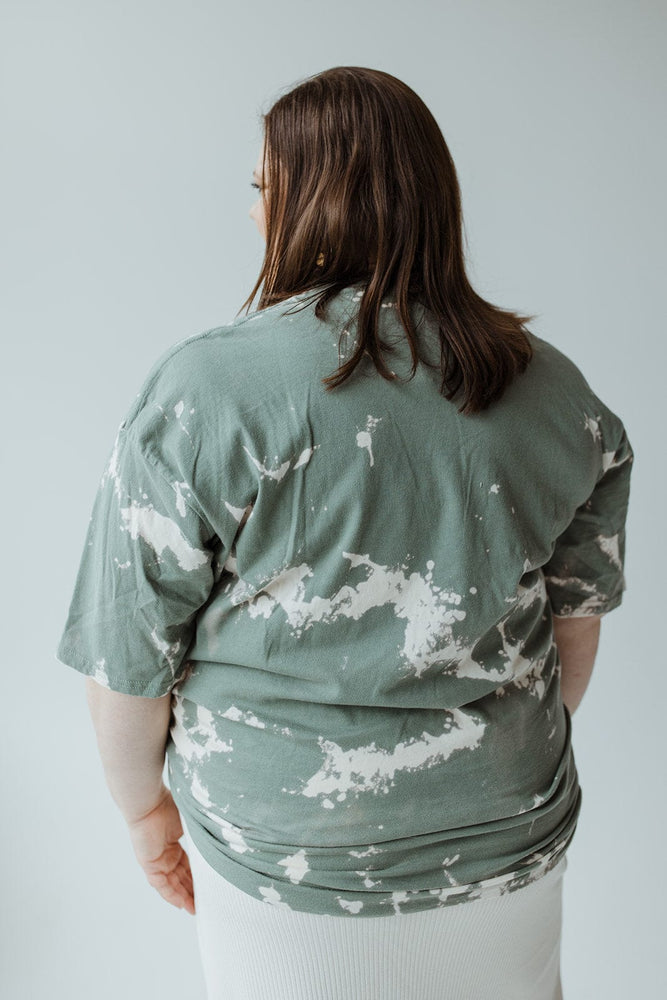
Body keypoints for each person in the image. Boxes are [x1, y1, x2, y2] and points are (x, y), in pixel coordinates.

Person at [55, 66, 634, 1000]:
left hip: (287, 853)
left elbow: (127, 657)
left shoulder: (207, 392)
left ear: (304, 202)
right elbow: (572, 640)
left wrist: (142, 815)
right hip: (506, 831)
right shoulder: (554, 391)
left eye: (260, 188)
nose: (251, 213)